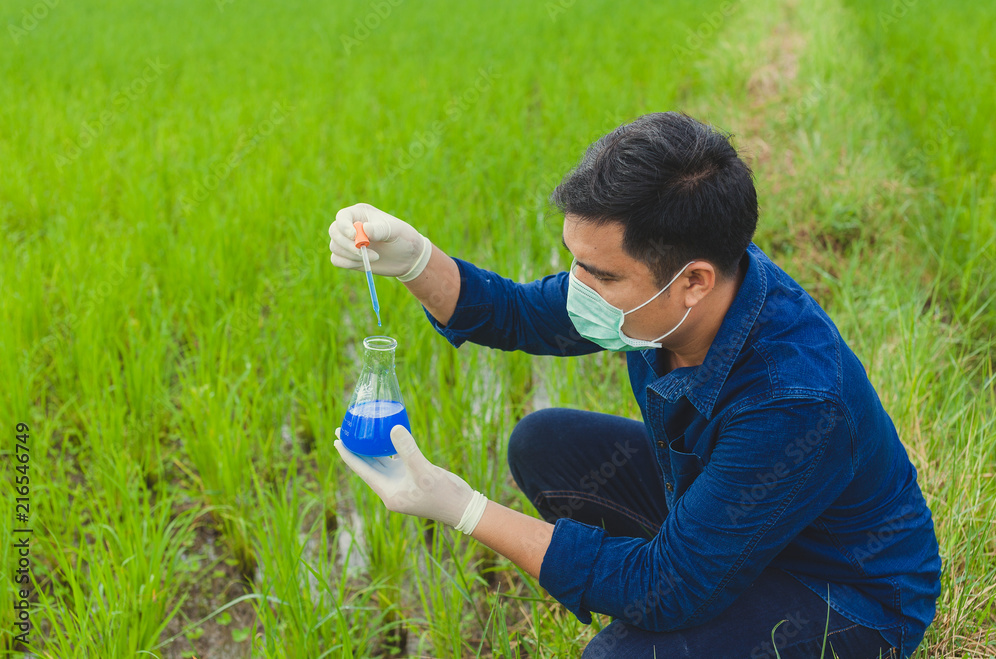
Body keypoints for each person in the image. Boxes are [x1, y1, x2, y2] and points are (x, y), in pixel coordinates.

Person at [328, 112, 941, 658]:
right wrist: (412, 260)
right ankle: (703, 568)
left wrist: (464, 509)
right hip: (731, 512)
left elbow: (665, 591)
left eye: (599, 273)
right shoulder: (667, 298)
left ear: (692, 281)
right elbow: (514, 312)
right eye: (574, 259)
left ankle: (713, 587)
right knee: (545, 444)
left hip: (842, 591)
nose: (576, 286)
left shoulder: (792, 399)